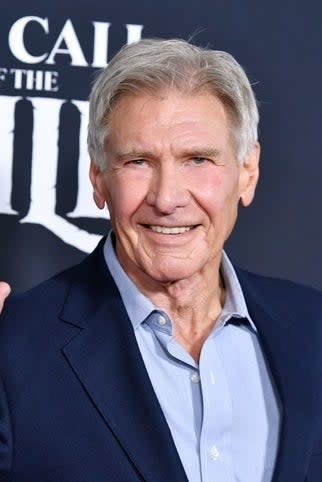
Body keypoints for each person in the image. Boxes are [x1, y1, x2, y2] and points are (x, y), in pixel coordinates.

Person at [0, 39, 322, 482]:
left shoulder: (313, 327)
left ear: (248, 172)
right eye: (138, 161)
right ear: (98, 179)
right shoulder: (14, 345)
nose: (167, 198)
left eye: (197, 159)